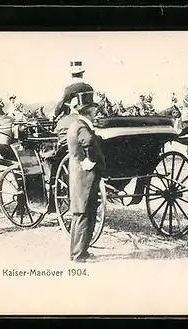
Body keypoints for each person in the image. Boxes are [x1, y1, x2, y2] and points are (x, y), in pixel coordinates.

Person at [67, 90, 106, 262]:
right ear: (88, 111)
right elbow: (88, 142)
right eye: (94, 109)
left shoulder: (76, 124)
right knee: (85, 213)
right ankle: (79, 255)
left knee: (80, 214)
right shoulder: (82, 126)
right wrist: (91, 162)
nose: (96, 111)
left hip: (79, 175)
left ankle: (79, 252)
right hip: (85, 176)